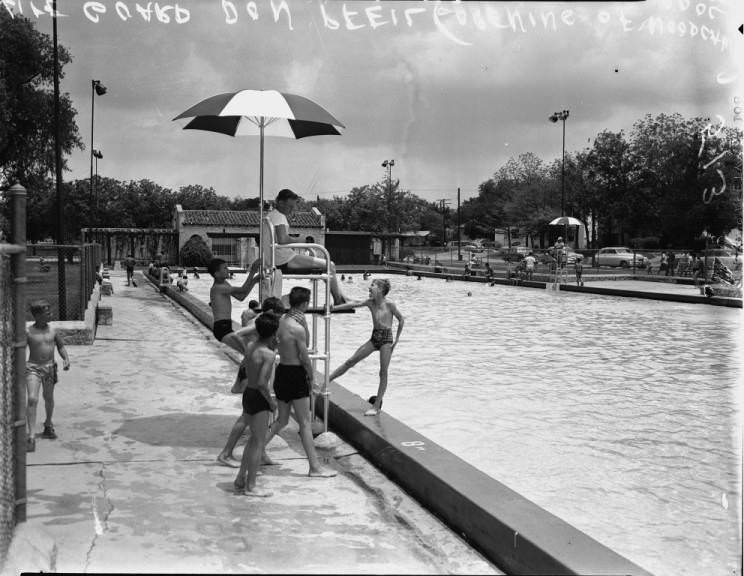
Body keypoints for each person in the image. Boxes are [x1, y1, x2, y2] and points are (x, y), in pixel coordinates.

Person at [263, 287, 336, 477]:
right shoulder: (297, 329)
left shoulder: (279, 323)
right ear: (305, 304)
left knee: (282, 419)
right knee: (304, 422)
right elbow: (305, 357)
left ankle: (259, 449)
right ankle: (315, 468)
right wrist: (312, 379)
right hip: (296, 374)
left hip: (281, 372)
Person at [216, 297, 286, 468]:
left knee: (252, 417)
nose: (278, 319)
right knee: (247, 417)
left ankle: (260, 453)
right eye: (277, 315)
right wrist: (246, 350)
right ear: (270, 312)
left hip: (254, 368)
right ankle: (226, 453)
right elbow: (235, 334)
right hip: (253, 372)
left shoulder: (261, 322)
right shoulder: (257, 324)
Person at [329, 279, 405, 416]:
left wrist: (396, 342)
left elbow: (401, 320)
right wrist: (333, 308)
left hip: (386, 339)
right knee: (350, 361)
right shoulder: (370, 303)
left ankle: (376, 406)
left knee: (383, 372)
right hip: (374, 337)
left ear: (381, 289)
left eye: (372, 286)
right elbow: (354, 304)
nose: (369, 288)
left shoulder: (390, 305)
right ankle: (327, 381)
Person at [266, 189, 346, 305]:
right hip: (284, 260)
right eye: (290, 207)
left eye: (293, 207)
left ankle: (342, 298)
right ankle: (339, 301)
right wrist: (301, 240)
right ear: (280, 203)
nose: (292, 210)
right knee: (330, 265)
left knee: (328, 266)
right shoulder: (279, 217)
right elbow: (283, 239)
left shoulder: (271, 216)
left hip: (277, 258)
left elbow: (279, 239)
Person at [233, 312, 280, 497]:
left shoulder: (251, 345)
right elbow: (263, 383)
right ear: (273, 333)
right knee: (259, 443)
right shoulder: (268, 354)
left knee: (253, 440)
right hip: (260, 397)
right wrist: (271, 402)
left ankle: (240, 478)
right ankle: (251, 486)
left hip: (248, 394)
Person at [26, 299, 70, 451]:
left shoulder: (52, 330)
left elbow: (61, 346)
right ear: (37, 315)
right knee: (32, 398)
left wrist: (66, 358)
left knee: (48, 398)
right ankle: (31, 436)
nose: (51, 314)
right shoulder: (29, 332)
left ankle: (48, 424)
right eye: (47, 312)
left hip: (50, 368)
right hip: (33, 368)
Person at [208, 258, 255, 353]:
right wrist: (253, 272)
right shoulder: (218, 288)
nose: (228, 270)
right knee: (248, 352)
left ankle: (246, 367)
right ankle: (246, 367)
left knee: (248, 351)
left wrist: (254, 281)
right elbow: (242, 289)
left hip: (226, 327)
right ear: (217, 274)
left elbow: (241, 297)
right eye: (225, 268)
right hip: (222, 329)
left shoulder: (225, 284)